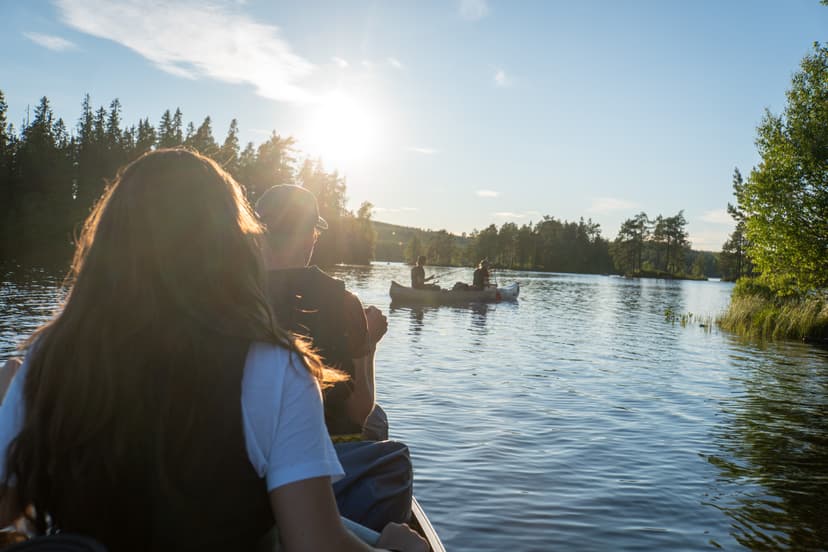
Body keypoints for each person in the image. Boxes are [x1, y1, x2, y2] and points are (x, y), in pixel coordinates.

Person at [0, 149, 425, 552]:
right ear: (229, 242)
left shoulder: (45, 360)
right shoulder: (275, 367)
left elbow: (8, 512)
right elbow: (314, 544)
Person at [255, 185, 388, 440]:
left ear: (256, 235)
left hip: (249, 448)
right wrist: (369, 343)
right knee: (376, 418)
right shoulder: (344, 303)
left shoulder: (230, 294)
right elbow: (358, 412)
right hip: (320, 448)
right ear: (311, 238)